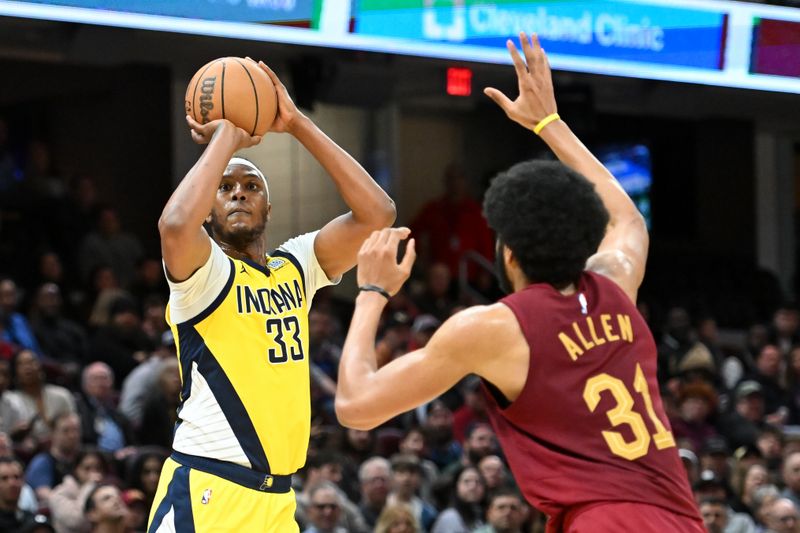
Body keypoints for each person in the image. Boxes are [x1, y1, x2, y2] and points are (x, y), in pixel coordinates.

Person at [335, 33, 703, 532]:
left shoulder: (496, 327)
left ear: (507, 252)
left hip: (603, 522)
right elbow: (628, 221)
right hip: (680, 519)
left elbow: (357, 406)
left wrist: (372, 293)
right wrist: (550, 124)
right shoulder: (615, 285)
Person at [147, 58, 395, 533]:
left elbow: (377, 212)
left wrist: (298, 123)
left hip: (278, 498)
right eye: (225, 188)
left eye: (251, 186)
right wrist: (228, 136)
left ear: (268, 204)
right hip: (209, 489)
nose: (239, 193)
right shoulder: (204, 274)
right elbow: (175, 224)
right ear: (208, 209)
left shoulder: (295, 266)